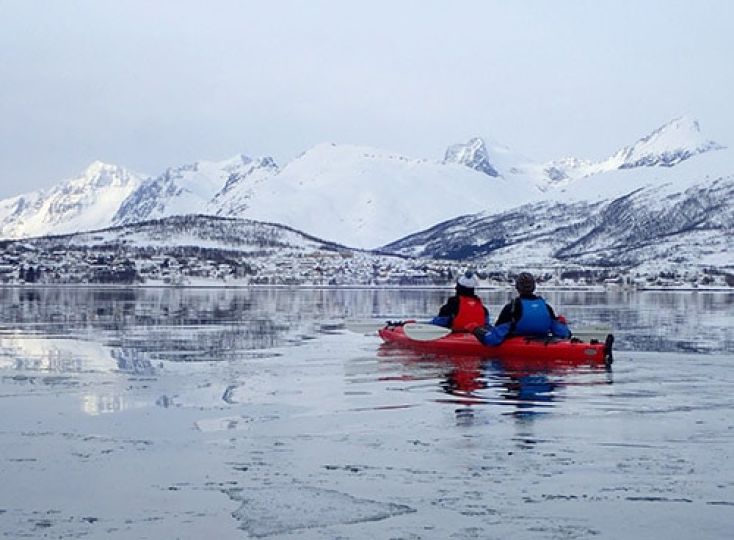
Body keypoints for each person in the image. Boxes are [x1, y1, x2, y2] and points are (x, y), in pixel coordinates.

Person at [471, 272, 571, 345]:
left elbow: (492, 339)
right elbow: (565, 334)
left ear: (517, 287)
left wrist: (476, 331)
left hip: (517, 350)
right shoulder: (546, 307)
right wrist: (562, 323)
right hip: (542, 343)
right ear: (533, 287)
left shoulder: (512, 308)